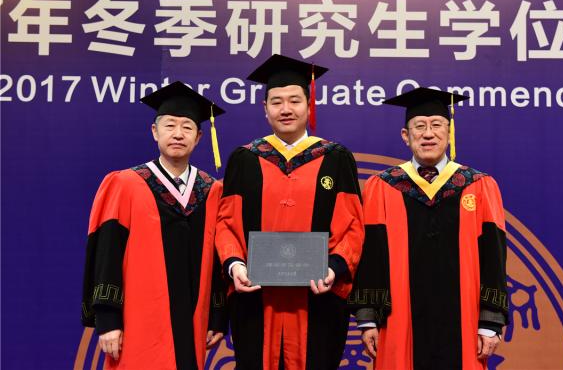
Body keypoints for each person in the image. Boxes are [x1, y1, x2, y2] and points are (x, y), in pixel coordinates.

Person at [215, 54, 364, 370]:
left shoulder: (335, 158)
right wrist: (235, 264)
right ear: (265, 108)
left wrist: (334, 267)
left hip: (318, 298)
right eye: (276, 101)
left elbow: (352, 224)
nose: (286, 109)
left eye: (295, 101)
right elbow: (226, 222)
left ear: (309, 106)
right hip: (256, 299)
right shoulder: (244, 159)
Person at [351, 87, 508, 370]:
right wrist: (367, 318)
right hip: (398, 319)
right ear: (406, 135)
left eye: (436, 125)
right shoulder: (383, 186)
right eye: (419, 126)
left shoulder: (479, 185)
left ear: (449, 133)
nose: (428, 134)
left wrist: (490, 321)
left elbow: (494, 258)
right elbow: (371, 256)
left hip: (464, 317)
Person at [81, 81, 228, 370]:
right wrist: (108, 319)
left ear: (199, 137)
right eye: (169, 125)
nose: (178, 134)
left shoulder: (211, 190)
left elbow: (217, 261)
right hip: (137, 321)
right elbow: (107, 253)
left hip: (193, 323)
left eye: (187, 127)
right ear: (154, 132)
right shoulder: (126, 184)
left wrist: (217, 316)